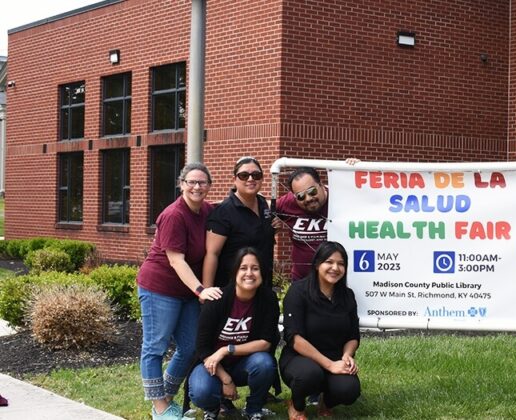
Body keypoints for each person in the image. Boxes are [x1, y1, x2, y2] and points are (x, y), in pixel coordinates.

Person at [137, 163, 221, 420]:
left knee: (189, 346)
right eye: (191, 182)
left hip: (186, 292)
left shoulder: (206, 210)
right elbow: (176, 260)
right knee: (155, 347)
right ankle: (161, 410)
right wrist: (200, 289)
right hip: (159, 288)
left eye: (202, 182)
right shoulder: (174, 215)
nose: (197, 187)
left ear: (209, 186)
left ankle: (166, 398)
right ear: (181, 184)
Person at [188, 248, 280, 420]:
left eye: (255, 268)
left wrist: (226, 349)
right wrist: (225, 379)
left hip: (245, 364)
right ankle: (213, 408)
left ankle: (253, 409)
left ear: (262, 272)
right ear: (235, 271)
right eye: (243, 268)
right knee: (201, 390)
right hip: (212, 365)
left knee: (264, 363)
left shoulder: (268, 299)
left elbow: (265, 342)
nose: (249, 273)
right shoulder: (216, 300)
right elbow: (203, 349)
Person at [280, 241, 361, 420]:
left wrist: (347, 356)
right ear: (317, 264)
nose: (335, 268)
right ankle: (297, 405)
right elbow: (294, 338)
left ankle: (327, 402)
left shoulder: (347, 296)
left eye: (341, 264)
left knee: (349, 390)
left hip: (335, 358)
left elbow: (353, 335)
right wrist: (329, 365)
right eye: (329, 262)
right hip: (299, 359)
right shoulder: (298, 291)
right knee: (309, 374)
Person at [275, 160, 357, 282]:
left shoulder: (340, 198)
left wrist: (358, 168)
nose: (308, 198)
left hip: (337, 280)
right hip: (302, 281)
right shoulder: (287, 203)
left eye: (312, 191)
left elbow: (366, 199)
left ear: (321, 184)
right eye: (301, 196)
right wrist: (272, 224)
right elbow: (262, 209)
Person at [203, 157, 275, 294]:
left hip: (262, 288)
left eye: (256, 175)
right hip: (232, 290)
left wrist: (273, 229)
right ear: (234, 180)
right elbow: (212, 254)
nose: (250, 179)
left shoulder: (264, 204)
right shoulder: (223, 212)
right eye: (244, 175)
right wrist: (207, 291)